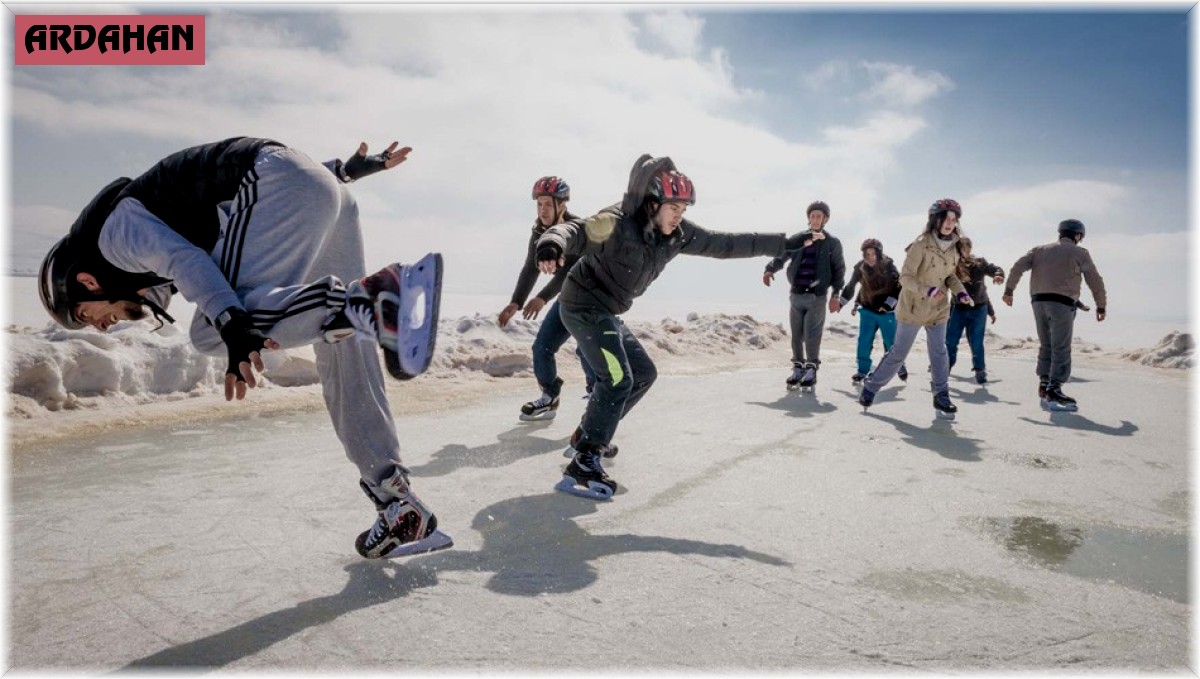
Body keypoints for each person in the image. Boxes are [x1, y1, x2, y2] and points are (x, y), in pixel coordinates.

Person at [36, 136, 452, 559]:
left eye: (86, 315)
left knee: (211, 330)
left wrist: (234, 328)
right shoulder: (139, 250)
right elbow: (265, 186)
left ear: (85, 282)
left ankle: (375, 298)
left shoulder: (113, 237)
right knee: (344, 339)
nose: (102, 327)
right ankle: (396, 500)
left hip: (276, 182)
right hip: (319, 190)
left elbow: (188, 261)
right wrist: (343, 173)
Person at [534, 155, 809, 500]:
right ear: (652, 204)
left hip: (608, 311)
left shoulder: (677, 235)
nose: (680, 215)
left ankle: (585, 437)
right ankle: (584, 463)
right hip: (583, 305)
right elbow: (573, 230)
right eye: (673, 207)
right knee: (617, 378)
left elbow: (725, 244)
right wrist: (551, 243)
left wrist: (782, 243)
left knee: (643, 373)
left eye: (684, 208)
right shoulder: (616, 222)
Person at [858, 199, 973, 420]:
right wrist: (926, 290)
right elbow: (906, 277)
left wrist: (960, 292)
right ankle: (871, 387)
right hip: (913, 307)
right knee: (898, 353)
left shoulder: (955, 247)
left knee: (939, 351)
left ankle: (941, 394)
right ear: (936, 220)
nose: (950, 223)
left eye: (954, 219)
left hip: (938, 310)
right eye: (946, 218)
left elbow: (949, 276)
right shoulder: (921, 245)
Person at [498, 176, 597, 421]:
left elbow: (569, 273)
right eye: (539, 204)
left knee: (587, 350)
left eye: (548, 205)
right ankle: (550, 397)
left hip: (593, 300)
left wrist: (542, 298)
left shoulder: (576, 229)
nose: (542, 210)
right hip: (567, 300)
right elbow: (531, 267)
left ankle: (598, 400)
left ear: (561, 205)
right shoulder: (539, 231)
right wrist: (516, 302)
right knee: (542, 347)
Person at [1001, 218, 1107, 411]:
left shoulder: (1039, 250)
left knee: (1047, 344)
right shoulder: (1079, 252)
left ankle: (1044, 384)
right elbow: (1095, 280)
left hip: (1038, 301)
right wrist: (1101, 306)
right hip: (1062, 305)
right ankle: (1054, 390)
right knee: (1061, 347)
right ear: (1077, 235)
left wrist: (1009, 290)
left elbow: (1018, 266)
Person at [762, 201, 846, 390]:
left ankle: (811, 368)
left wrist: (836, 294)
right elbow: (782, 255)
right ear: (808, 218)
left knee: (811, 335)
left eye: (819, 216)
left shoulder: (832, 243)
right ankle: (798, 368)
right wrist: (770, 270)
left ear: (825, 219)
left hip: (817, 296)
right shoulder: (799, 238)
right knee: (796, 335)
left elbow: (839, 269)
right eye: (812, 216)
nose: (815, 219)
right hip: (797, 294)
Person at [837, 238, 907, 385]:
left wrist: (888, 305)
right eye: (867, 254)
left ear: (879, 254)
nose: (870, 257)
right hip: (868, 310)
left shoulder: (889, 266)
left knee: (890, 342)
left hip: (886, 312)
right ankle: (862, 371)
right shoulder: (860, 267)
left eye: (873, 254)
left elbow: (898, 287)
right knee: (864, 341)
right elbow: (851, 286)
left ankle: (899, 365)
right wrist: (841, 302)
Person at [945, 236, 1006, 384]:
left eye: (967, 247)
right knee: (951, 341)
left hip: (979, 309)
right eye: (961, 248)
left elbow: (992, 275)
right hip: (958, 309)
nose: (964, 251)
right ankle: (944, 368)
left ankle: (980, 370)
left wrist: (998, 275)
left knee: (976, 342)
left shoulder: (980, 263)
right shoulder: (951, 265)